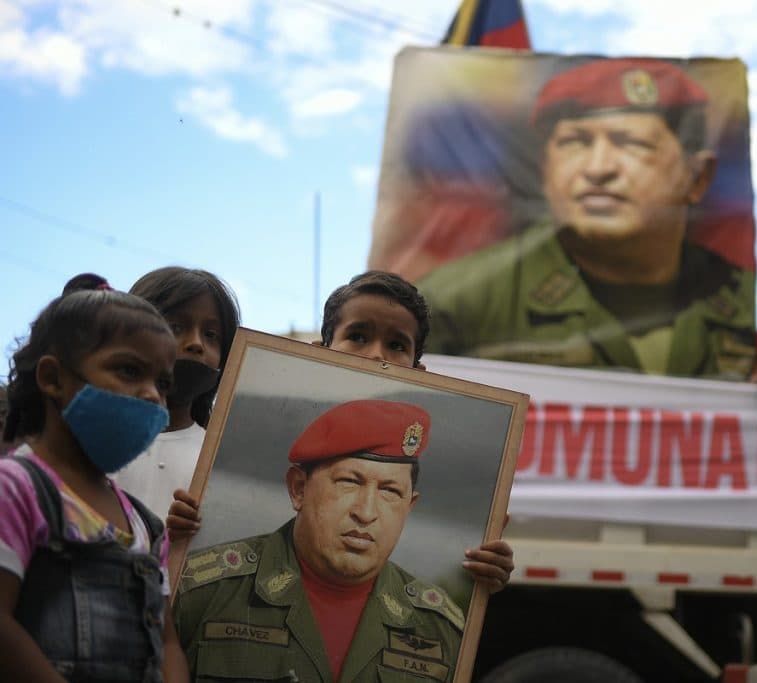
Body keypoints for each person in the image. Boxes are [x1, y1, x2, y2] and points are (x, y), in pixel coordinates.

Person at [417, 58, 756, 379]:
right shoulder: (454, 305)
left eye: (632, 144)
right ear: (545, 171)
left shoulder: (741, 303)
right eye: (575, 142)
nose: (598, 169)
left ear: (697, 177)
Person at [175, 399, 464, 682]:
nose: (366, 513)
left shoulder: (439, 628)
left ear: (408, 507)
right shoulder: (198, 591)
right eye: (349, 482)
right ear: (299, 489)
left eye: (390, 491)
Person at [0, 288, 188, 681]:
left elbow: (168, 642)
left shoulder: (147, 525)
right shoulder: (15, 489)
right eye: (130, 371)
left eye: (164, 384)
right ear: (53, 378)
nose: (153, 394)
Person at [317, 270, 513, 592]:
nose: (376, 355)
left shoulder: (444, 463)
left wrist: (479, 576)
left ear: (417, 372)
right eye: (358, 337)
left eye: (396, 345)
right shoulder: (238, 430)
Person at [112, 267, 241, 542]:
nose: (195, 343)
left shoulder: (220, 461)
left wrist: (201, 528)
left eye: (211, 335)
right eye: (175, 327)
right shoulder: (95, 445)